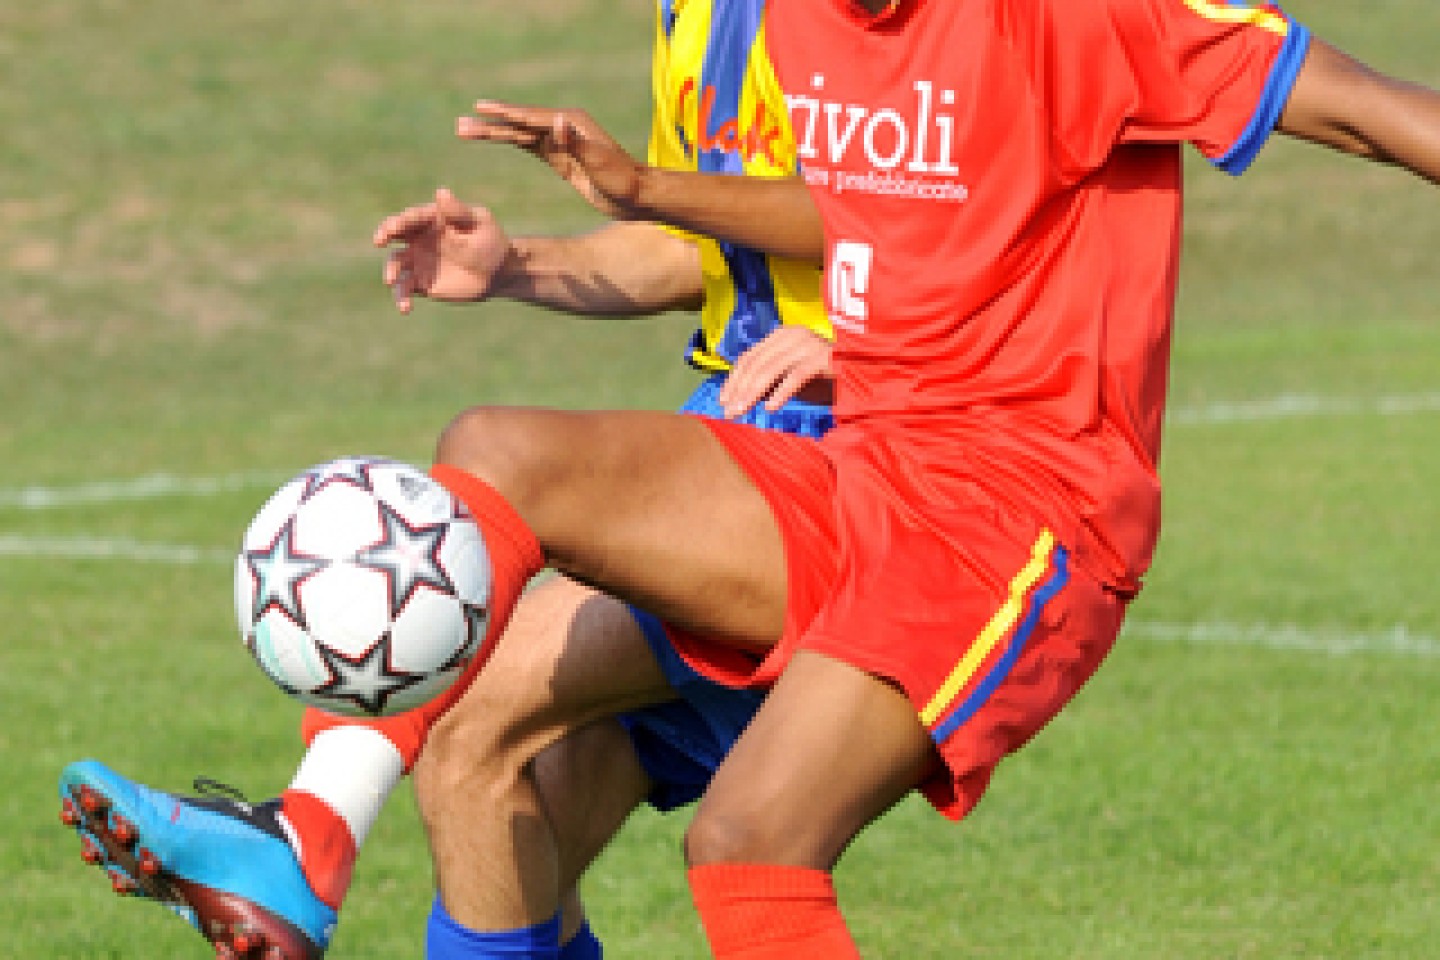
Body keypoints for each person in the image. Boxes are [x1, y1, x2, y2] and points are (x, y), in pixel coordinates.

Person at [371, 1, 1440, 956]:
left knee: (748, 846)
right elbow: (901, 229)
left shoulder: (1085, 18)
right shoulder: (798, 23)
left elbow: (1370, 112)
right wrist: (602, 222)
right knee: (493, 492)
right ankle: (314, 823)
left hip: (1022, 511)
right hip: (860, 466)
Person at [56, 2, 835, 958]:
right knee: (473, 746)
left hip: (868, 442)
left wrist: (882, 339)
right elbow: (704, 243)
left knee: (492, 489)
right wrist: (520, 265)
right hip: (741, 432)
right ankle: (305, 840)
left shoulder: (861, 19)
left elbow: (924, 219)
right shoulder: (696, 15)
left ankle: (310, 835)